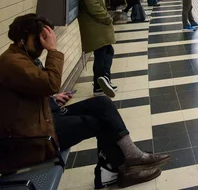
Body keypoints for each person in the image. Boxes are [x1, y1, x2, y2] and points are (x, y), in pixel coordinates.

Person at [0, 14, 170, 188]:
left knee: (102, 103)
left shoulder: (21, 57)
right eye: (38, 40)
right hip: (34, 138)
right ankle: (120, 170)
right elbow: (51, 83)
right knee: (99, 122)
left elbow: (33, 89)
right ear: (22, 38)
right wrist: (53, 51)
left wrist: (51, 98)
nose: (42, 46)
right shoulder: (11, 62)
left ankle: (131, 155)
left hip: (44, 118)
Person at [79, 0, 117, 97]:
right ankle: (100, 84)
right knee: (102, 54)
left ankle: (104, 80)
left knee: (107, 51)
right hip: (95, 25)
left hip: (96, 24)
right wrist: (107, 18)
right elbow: (92, 5)